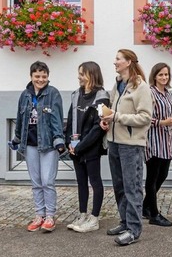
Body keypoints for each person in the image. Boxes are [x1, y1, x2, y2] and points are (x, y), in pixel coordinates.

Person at [101, 49, 152, 246]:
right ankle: (124, 221)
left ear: (128, 62)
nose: (115, 62)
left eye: (118, 59)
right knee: (119, 186)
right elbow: (113, 111)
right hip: (114, 142)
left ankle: (133, 229)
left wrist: (117, 117)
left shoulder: (141, 87)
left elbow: (145, 117)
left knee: (132, 187)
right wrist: (106, 121)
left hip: (131, 145)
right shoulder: (118, 84)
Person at [11, 61, 65, 233]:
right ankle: (39, 214)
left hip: (48, 143)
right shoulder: (25, 95)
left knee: (47, 181)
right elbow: (20, 119)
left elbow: (56, 117)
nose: (40, 79)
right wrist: (17, 137)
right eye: (37, 76)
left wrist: (59, 139)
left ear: (48, 77)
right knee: (36, 182)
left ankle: (50, 215)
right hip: (30, 143)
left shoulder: (53, 93)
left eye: (44, 76)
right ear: (31, 76)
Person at [65, 61, 110, 233]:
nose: (79, 77)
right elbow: (70, 120)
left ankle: (94, 218)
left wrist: (81, 146)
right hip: (75, 147)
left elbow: (98, 127)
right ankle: (82, 214)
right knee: (81, 182)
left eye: (82, 73)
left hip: (90, 147)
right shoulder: (76, 94)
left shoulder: (101, 96)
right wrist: (70, 143)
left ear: (91, 75)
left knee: (95, 181)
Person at [142, 62, 172, 227]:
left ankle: (145, 206)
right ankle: (154, 214)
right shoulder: (150, 93)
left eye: (166, 75)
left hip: (166, 140)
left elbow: (168, 117)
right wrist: (162, 122)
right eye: (161, 75)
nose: (164, 77)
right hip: (153, 140)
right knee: (152, 177)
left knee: (162, 175)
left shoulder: (168, 94)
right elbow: (144, 117)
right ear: (154, 76)